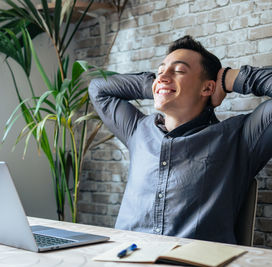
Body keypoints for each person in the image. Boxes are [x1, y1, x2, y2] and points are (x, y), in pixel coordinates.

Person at [88, 35, 272, 244]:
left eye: (179, 71)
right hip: (124, 255)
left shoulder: (240, 138)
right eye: (160, 71)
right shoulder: (137, 130)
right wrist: (158, 85)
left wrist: (227, 79)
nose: (164, 75)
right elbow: (98, 88)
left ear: (207, 88)